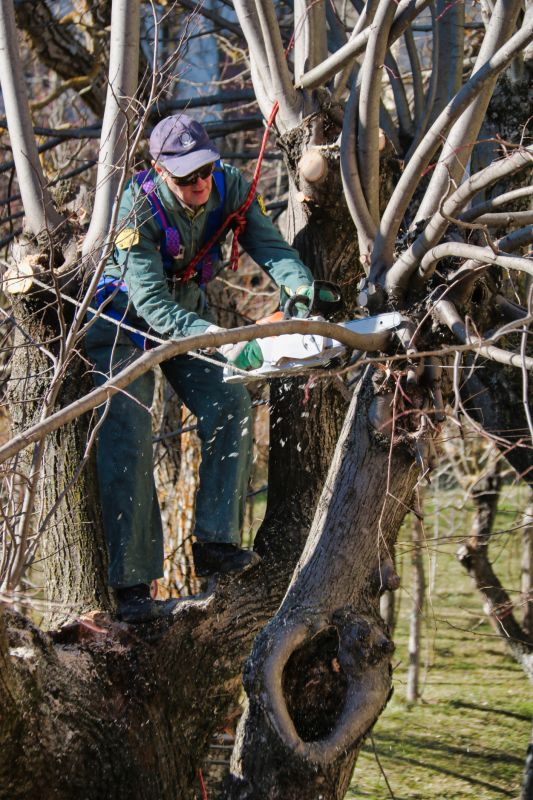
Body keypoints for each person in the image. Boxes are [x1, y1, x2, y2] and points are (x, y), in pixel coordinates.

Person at [85, 114, 316, 623]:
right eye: (187, 176)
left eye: (205, 170)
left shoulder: (231, 187)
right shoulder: (135, 208)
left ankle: (215, 541)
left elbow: (271, 248)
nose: (200, 183)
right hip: (122, 321)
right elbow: (149, 301)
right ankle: (133, 585)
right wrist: (223, 343)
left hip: (188, 309)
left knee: (229, 400)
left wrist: (299, 287)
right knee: (129, 431)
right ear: (159, 169)